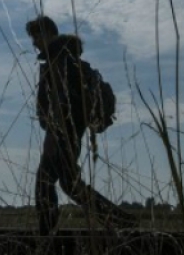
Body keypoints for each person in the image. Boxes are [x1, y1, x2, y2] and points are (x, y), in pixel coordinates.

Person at [27, 15, 137, 237]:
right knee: (60, 183)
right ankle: (118, 220)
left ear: (47, 33)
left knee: (54, 184)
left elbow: (63, 104)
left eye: (36, 37)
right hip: (66, 133)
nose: (34, 43)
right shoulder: (65, 59)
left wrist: (56, 132)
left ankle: (48, 235)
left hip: (63, 134)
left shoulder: (61, 61)